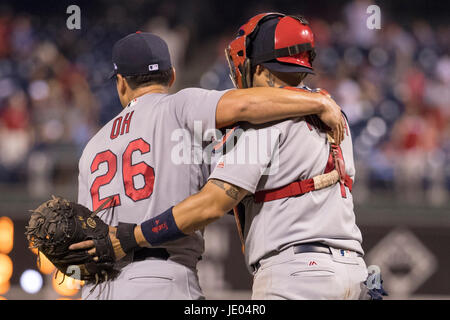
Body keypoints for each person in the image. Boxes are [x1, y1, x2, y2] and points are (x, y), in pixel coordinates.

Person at [75, 30, 346, 299]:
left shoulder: (92, 147)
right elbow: (246, 105)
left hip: (98, 287)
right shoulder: (179, 106)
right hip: (163, 277)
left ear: (120, 82)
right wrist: (317, 101)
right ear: (172, 76)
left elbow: (81, 241)